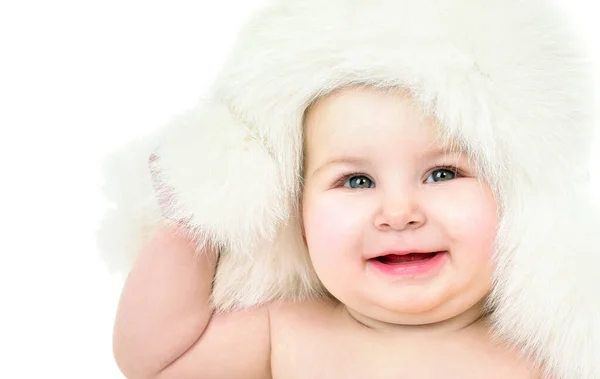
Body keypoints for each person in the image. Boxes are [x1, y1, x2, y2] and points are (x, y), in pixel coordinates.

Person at [100, 1, 600, 378]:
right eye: (356, 181)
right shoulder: (287, 332)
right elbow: (156, 360)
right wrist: (195, 215)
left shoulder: (548, 353)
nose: (399, 212)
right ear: (293, 212)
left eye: (443, 174)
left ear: (518, 198)